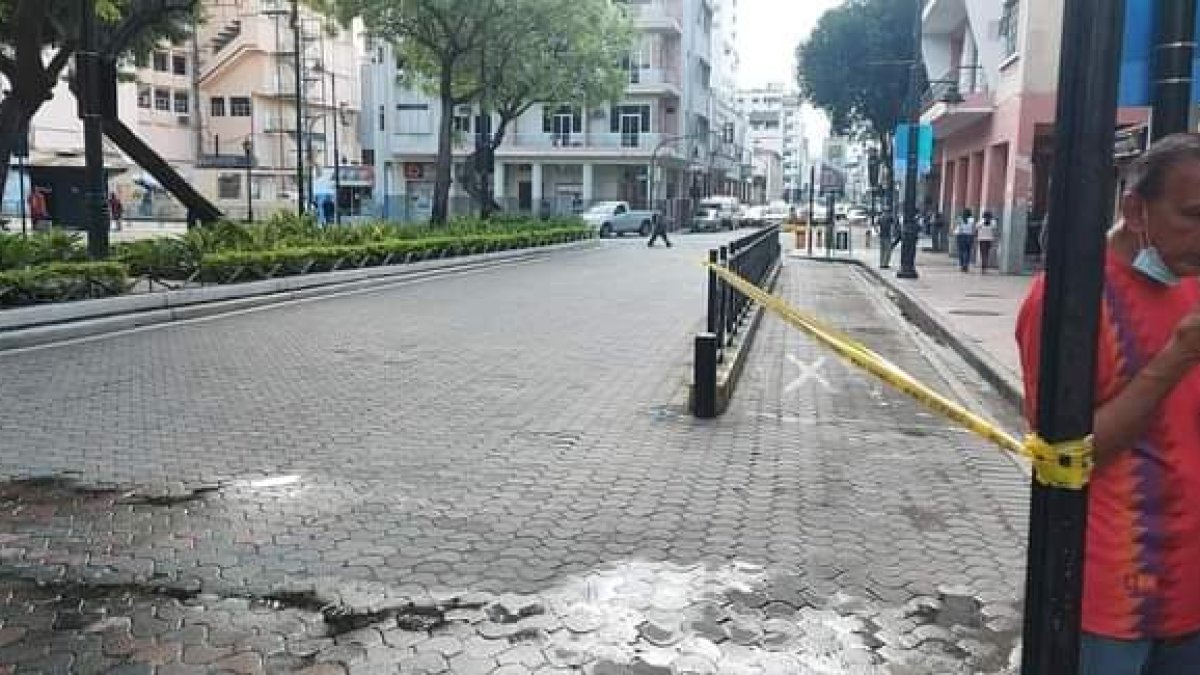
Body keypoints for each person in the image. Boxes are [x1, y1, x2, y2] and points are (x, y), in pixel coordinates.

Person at [1016, 134, 1200, 675]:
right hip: (1110, 598)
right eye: (1192, 215)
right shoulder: (1066, 298)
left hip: (1188, 588)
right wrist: (1176, 358)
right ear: (1134, 209)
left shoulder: (1190, 283)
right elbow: (1064, 457)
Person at [954, 208, 976, 272]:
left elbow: (958, 228)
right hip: (969, 236)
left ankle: (962, 265)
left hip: (961, 236)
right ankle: (966, 264)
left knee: (961, 251)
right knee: (968, 251)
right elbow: (973, 228)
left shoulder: (960, 219)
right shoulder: (972, 220)